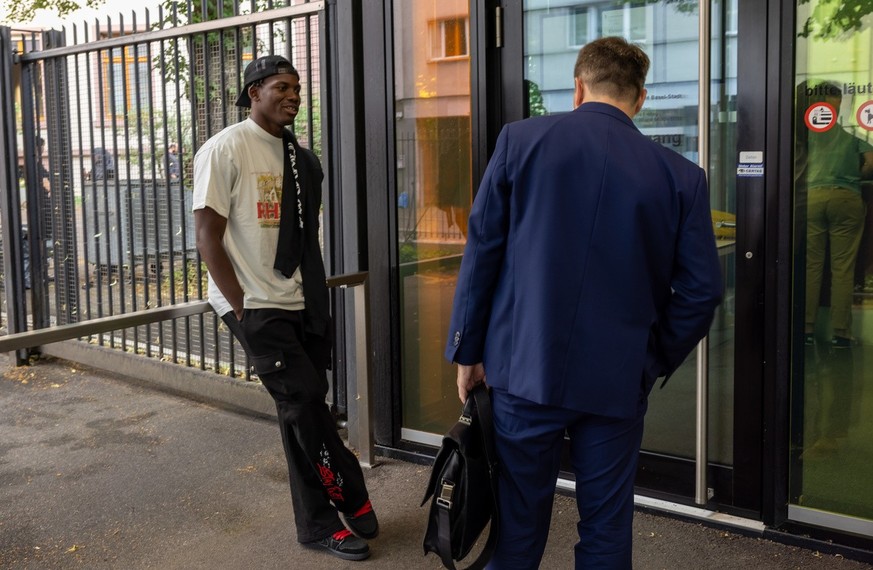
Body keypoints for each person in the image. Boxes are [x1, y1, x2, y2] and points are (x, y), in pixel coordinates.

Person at [444, 37, 723, 569]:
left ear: (577, 87)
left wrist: (468, 350)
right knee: (606, 525)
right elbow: (702, 290)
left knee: (517, 524)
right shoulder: (681, 176)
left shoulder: (519, 142)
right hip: (618, 378)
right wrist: (652, 357)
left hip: (524, 369)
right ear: (640, 98)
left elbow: (482, 256)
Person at [192, 55, 378, 562]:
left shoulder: (302, 157)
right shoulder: (226, 148)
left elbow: (306, 239)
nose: (293, 95)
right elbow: (207, 237)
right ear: (254, 92)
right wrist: (243, 309)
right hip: (254, 303)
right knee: (304, 404)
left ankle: (319, 521)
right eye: (281, 86)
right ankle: (346, 494)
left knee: (303, 409)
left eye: (297, 87)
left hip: (302, 300)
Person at [798, 81, 873, 348]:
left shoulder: (806, 135)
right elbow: (871, 163)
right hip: (846, 198)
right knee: (842, 269)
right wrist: (854, 172)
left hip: (813, 199)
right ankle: (841, 332)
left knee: (812, 265)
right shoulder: (852, 137)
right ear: (838, 102)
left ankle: (806, 328)